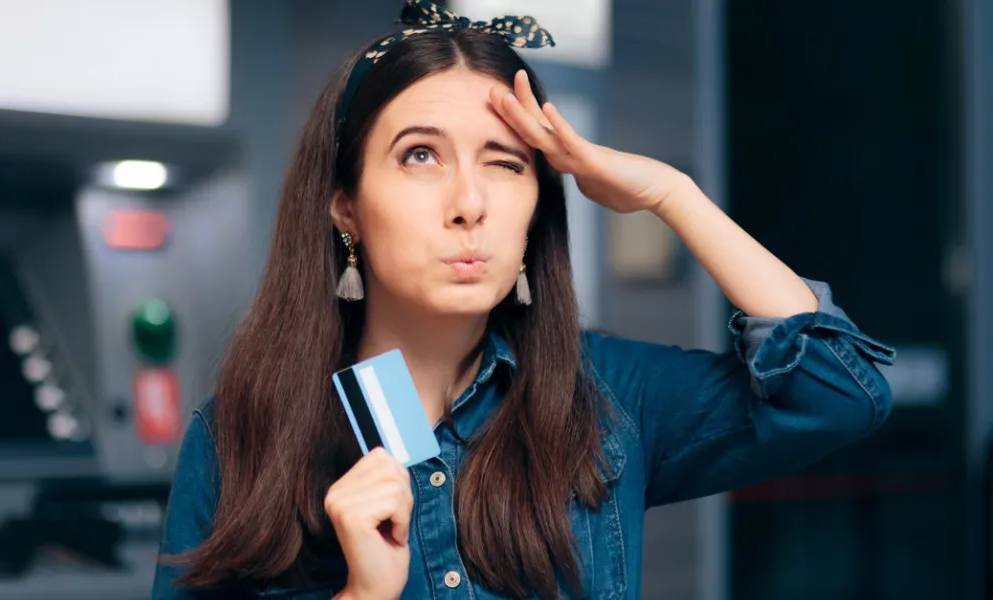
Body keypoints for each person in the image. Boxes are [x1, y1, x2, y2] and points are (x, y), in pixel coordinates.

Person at [151, 2, 896, 599]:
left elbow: (836, 392)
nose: (469, 202)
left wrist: (673, 194)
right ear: (345, 205)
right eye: (420, 156)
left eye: (505, 164)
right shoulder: (238, 439)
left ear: (536, 206)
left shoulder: (608, 401)